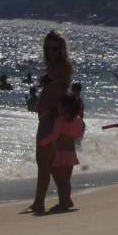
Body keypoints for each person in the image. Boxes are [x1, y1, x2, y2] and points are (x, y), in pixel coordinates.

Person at [29, 31, 73, 214]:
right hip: (47, 118)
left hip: (51, 119)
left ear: (61, 50)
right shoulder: (54, 67)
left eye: (54, 48)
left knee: (44, 162)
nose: (50, 52)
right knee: (52, 163)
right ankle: (63, 199)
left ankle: (39, 202)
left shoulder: (61, 67)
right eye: (47, 48)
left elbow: (58, 88)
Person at [38, 94, 85, 212]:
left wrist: (42, 142)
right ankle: (66, 200)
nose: (58, 108)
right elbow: (79, 136)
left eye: (59, 106)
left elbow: (54, 136)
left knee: (60, 180)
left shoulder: (60, 120)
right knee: (66, 180)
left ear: (64, 107)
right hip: (71, 153)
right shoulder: (78, 120)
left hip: (61, 154)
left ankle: (64, 203)